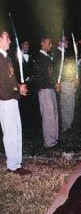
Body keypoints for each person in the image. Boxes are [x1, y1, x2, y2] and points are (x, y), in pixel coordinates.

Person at [0, 30, 31, 175]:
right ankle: (12, 165)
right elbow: (3, 84)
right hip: (5, 100)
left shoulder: (6, 58)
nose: (10, 41)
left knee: (16, 131)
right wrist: (17, 90)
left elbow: (10, 79)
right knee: (10, 133)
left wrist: (20, 87)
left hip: (12, 99)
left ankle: (17, 162)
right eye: (7, 38)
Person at [33, 36, 59, 148]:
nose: (50, 45)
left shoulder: (47, 58)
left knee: (53, 115)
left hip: (51, 89)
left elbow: (51, 74)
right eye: (49, 43)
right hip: (45, 90)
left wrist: (55, 84)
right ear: (42, 43)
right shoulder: (39, 58)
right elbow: (40, 78)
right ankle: (49, 141)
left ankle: (54, 138)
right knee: (48, 116)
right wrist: (53, 84)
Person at [54, 36, 77, 132]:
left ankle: (69, 124)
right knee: (65, 104)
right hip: (64, 82)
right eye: (65, 40)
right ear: (59, 43)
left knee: (71, 103)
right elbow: (57, 70)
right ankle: (65, 125)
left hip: (70, 81)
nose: (67, 42)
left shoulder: (66, 53)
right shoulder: (57, 54)